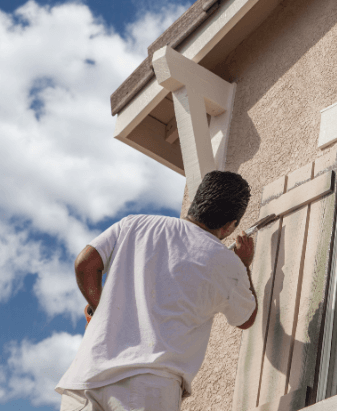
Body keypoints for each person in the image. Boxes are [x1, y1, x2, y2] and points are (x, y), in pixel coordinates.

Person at [56, 171, 258, 411]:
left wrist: (101, 311)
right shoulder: (226, 263)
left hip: (87, 376)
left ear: (196, 202)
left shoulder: (135, 224)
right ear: (230, 226)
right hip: (148, 388)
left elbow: (85, 264)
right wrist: (243, 265)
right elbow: (246, 318)